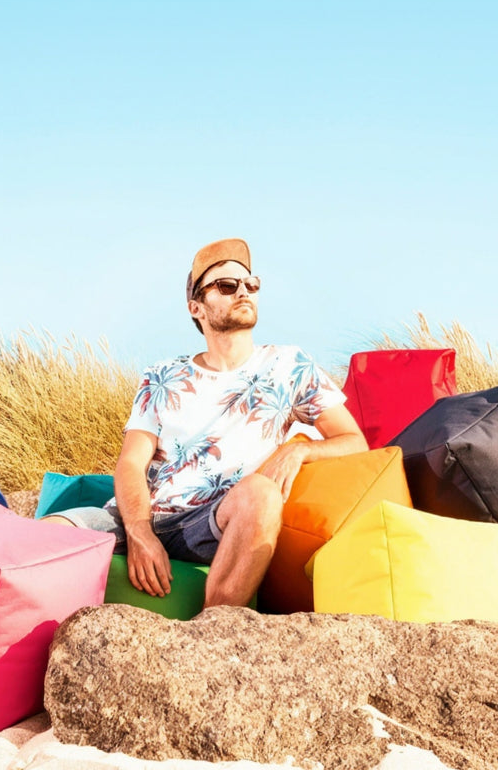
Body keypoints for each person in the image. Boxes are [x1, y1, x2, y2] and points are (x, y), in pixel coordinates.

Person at [44, 238, 366, 607]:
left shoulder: (289, 365)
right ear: (196, 307)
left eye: (251, 284)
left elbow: (354, 441)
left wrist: (301, 451)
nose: (243, 292)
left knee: (261, 494)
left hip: (214, 520)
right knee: (43, 536)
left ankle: (215, 633)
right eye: (227, 286)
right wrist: (140, 533)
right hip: (140, 514)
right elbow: (131, 463)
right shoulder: (162, 375)